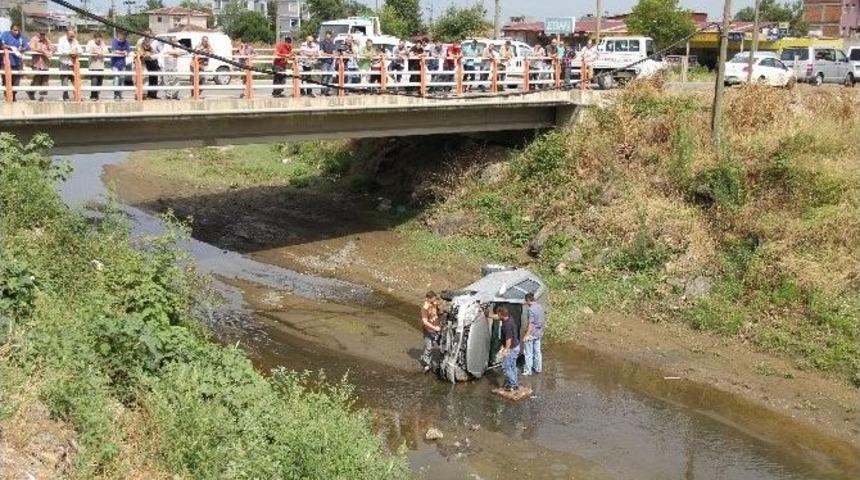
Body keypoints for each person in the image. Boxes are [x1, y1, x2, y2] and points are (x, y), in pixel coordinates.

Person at [1, 24, 29, 101]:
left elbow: (27, 46)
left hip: (17, 62)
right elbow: (2, 45)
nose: (17, 32)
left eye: (18, 30)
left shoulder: (21, 36)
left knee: (16, 81)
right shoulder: (5, 34)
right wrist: (10, 47)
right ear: (11, 30)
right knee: (6, 80)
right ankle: (7, 96)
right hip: (6, 61)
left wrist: (23, 48)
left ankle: (13, 95)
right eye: (15, 30)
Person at [497, 306, 520, 391]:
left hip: (511, 348)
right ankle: (513, 383)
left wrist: (505, 350)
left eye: (499, 314)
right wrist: (488, 315)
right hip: (516, 346)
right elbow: (497, 317)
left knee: (505, 367)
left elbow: (508, 339)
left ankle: (513, 384)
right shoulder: (510, 318)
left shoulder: (507, 325)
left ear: (502, 314)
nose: (498, 316)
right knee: (512, 366)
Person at [521, 293, 545, 376]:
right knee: (537, 352)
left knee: (528, 353)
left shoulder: (530, 309)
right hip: (539, 333)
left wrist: (526, 335)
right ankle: (538, 368)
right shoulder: (540, 307)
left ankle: (528, 370)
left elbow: (531, 324)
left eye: (526, 301)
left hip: (531, 333)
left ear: (528, 300)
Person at [419, 291, 442, 373]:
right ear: (428, 299)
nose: (434, 300)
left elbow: (438, 312)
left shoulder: (434, 303)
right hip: (429, 330)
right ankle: (427, 364)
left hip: (438, 328)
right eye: (432, 299)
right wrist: (434, 328)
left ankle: (441, 361)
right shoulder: (424, 309)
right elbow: (425, 322)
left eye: (434, 299)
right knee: (429, 347)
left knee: (441, 344)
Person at [56, 28, 82, 101]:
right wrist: (70, 52)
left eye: (73, 35)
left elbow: (81, 50)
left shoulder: (75, 41)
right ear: (67, 34)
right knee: (64, 80)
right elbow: (60, 50)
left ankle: (77, 95)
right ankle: (65, 96)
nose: (72, 37)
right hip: (64, 62)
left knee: (75, 80)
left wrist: (76, 52)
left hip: (73, 63)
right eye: (70, 35)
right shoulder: (61, 40)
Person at [28, 30, 53, 101]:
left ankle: (42, 96)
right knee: (37, 79)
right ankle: (31, 92)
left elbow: (52, 47)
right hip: (37, 63)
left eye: (44, 34)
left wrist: (51, 51)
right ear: (38, 33)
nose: (42, 35)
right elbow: (31, 48)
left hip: (45, 62)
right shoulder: (34, 39)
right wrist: (41, 51)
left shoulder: (46, 40)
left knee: (45, 79)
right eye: (41, 34)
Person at [85, 32, 108, 100]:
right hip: (93, 65)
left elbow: (106, 51)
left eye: (100, 39)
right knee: (94, 80)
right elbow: (87, 51)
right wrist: (94, 52)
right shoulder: (90, 43)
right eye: (98, 39)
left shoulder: (102, 43)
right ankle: (93, 95)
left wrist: (101, 53)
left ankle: (97, 94)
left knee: (100, 80)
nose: (99, 40)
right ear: (95, 38)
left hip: (100, 64)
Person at [110, 30, 130, 100]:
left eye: (125, 35)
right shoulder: (114, 41)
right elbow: (114, 51)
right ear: (119, 34)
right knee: (116, 79)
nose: (124, 36)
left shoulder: (126, 42)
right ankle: (116, 94)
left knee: (122, 79)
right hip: (115, 63)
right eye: (122, 34)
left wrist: (124, 52)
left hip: (123, 63)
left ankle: (120, 94)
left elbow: (127, 52)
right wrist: (122, 52)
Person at [318, 30, 335, 95]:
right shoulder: (322, 43)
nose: (329, 35)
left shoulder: (332, 43)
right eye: (328, 34)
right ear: (325, 35)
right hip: (324, 62)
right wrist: (330, 55)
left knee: (330, 77)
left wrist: (332, 55)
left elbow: (334, 52)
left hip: (331, 62)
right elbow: (322, 53)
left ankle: (327, 91)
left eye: (330, 34)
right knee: (325, 76)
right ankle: (323, 91)